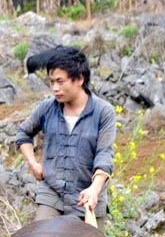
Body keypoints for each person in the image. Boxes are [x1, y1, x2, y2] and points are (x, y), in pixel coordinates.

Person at [16, 46, 116, 222]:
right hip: (52, 195)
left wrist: (95, 188)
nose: (55, 88)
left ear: (79, 79)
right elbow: (24, 133)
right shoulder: (47, 108)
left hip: (86, 198)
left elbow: (104, 154)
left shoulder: (103, 112)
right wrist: (33, 163)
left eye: (60, 82)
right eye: (51, 82)